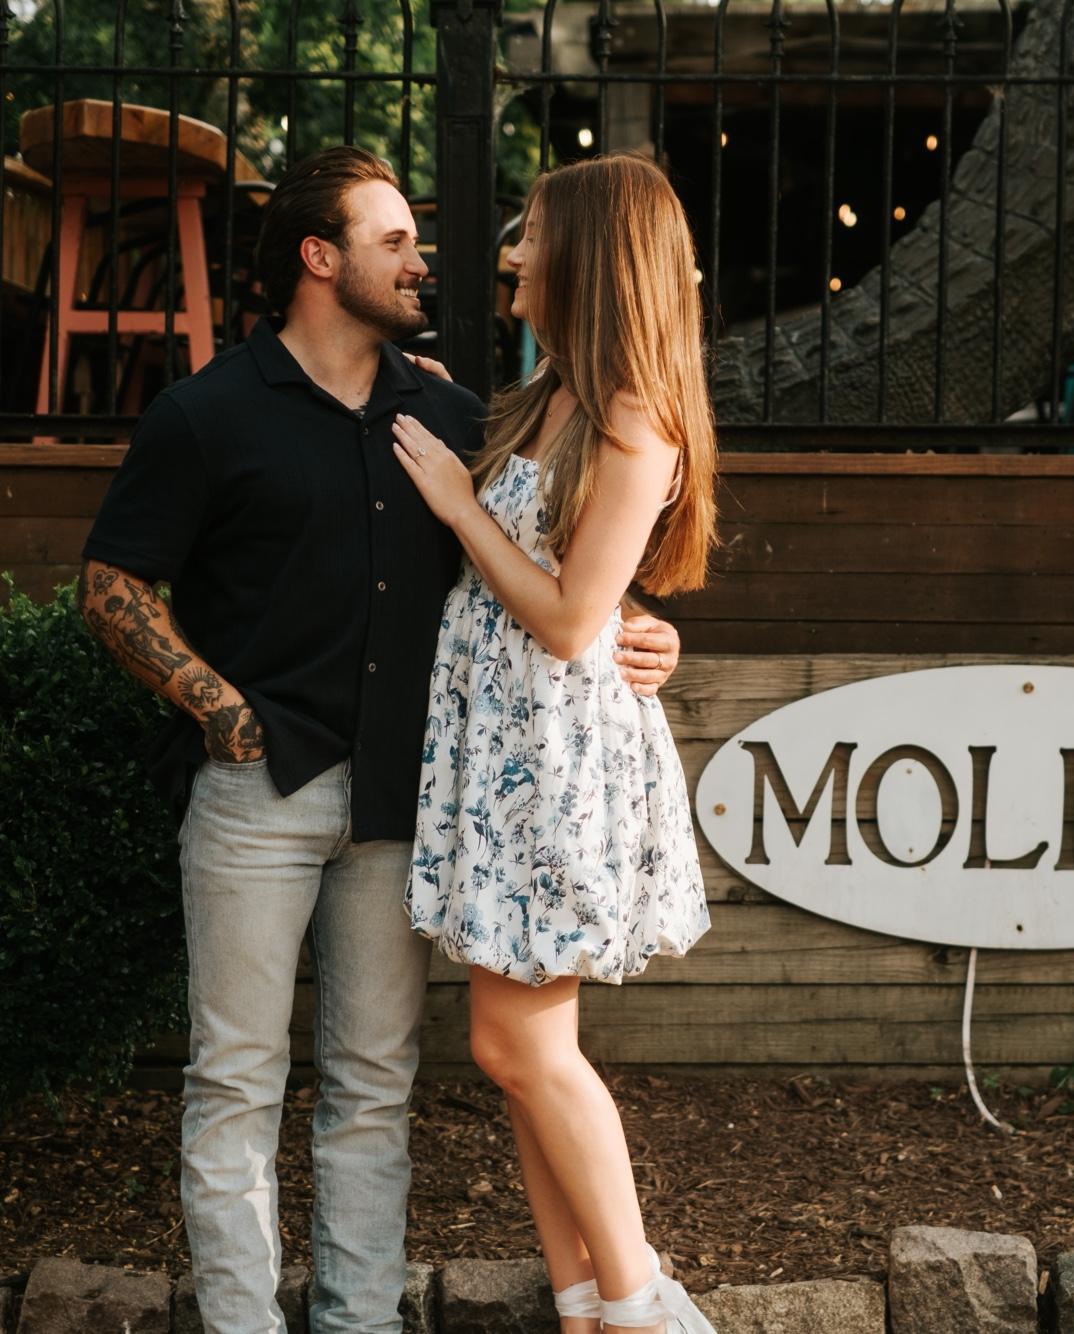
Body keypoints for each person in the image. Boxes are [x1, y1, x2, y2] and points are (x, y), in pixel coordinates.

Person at [76, 145, 682, 1334]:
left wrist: (644, 631)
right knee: (236, 1081)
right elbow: (108, 584)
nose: (426, 258)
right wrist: (223, 710)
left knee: (371, 1087)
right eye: (393, 239)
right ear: (320, 258)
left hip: (406, 804)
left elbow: (555, 564)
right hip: (262, 789)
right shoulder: (208, 412)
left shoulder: (451, 410)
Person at [390, 154, 717, 1334]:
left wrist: (455, 504)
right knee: (513, 1047)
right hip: (504, 743)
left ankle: (636, 1301)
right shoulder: (549, 394)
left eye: (529, 234)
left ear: (586, 254)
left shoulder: (635, 416)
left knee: (516, 1042)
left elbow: (577, 616)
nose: (512, 252)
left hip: (557, 755)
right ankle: (581, 1299)